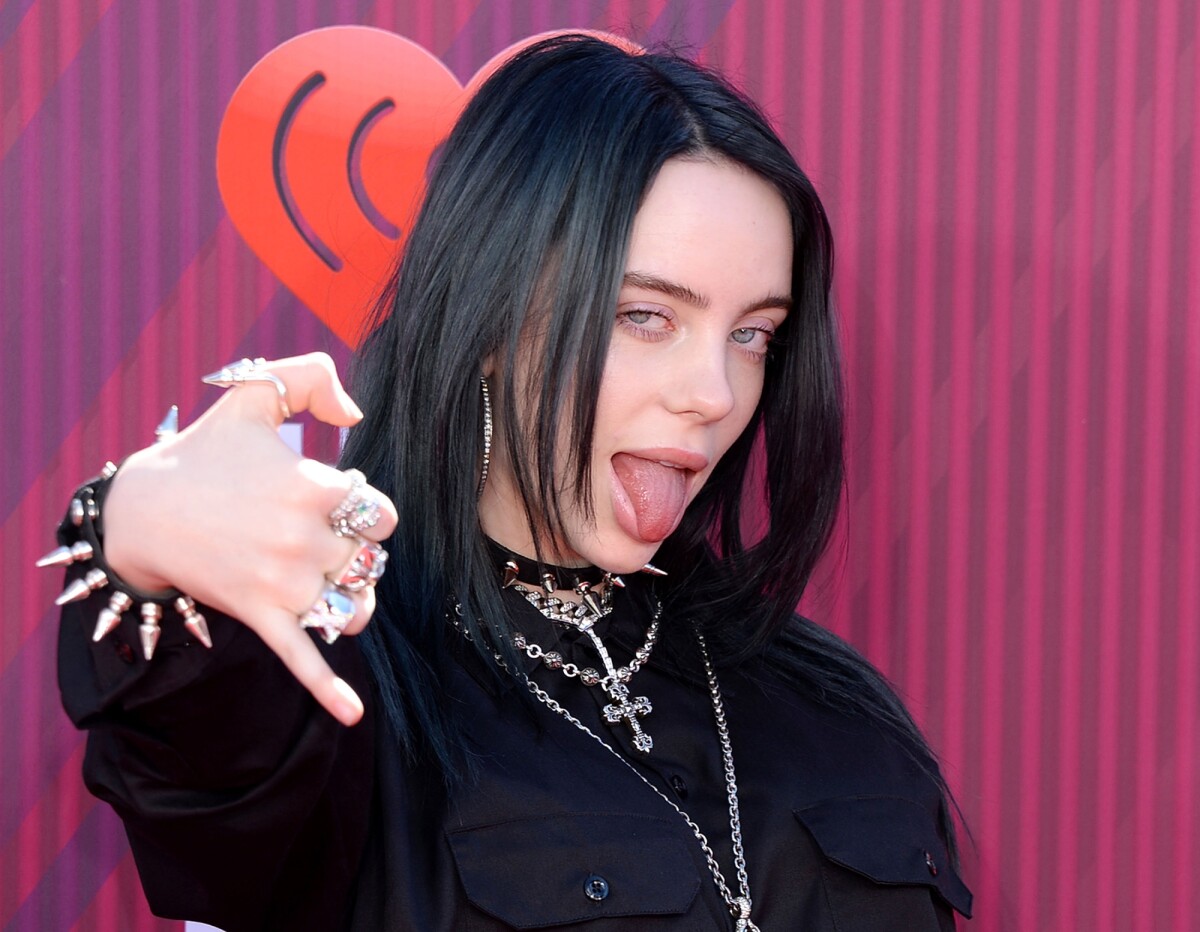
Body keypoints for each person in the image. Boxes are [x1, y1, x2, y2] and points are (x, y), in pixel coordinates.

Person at [53, 35, 972, 931]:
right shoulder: (342, 681)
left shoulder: (834, 706)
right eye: (647, 316)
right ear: (491, 317)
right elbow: (199, 747)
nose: (713, 395)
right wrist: (133, 532)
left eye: (753, 334)